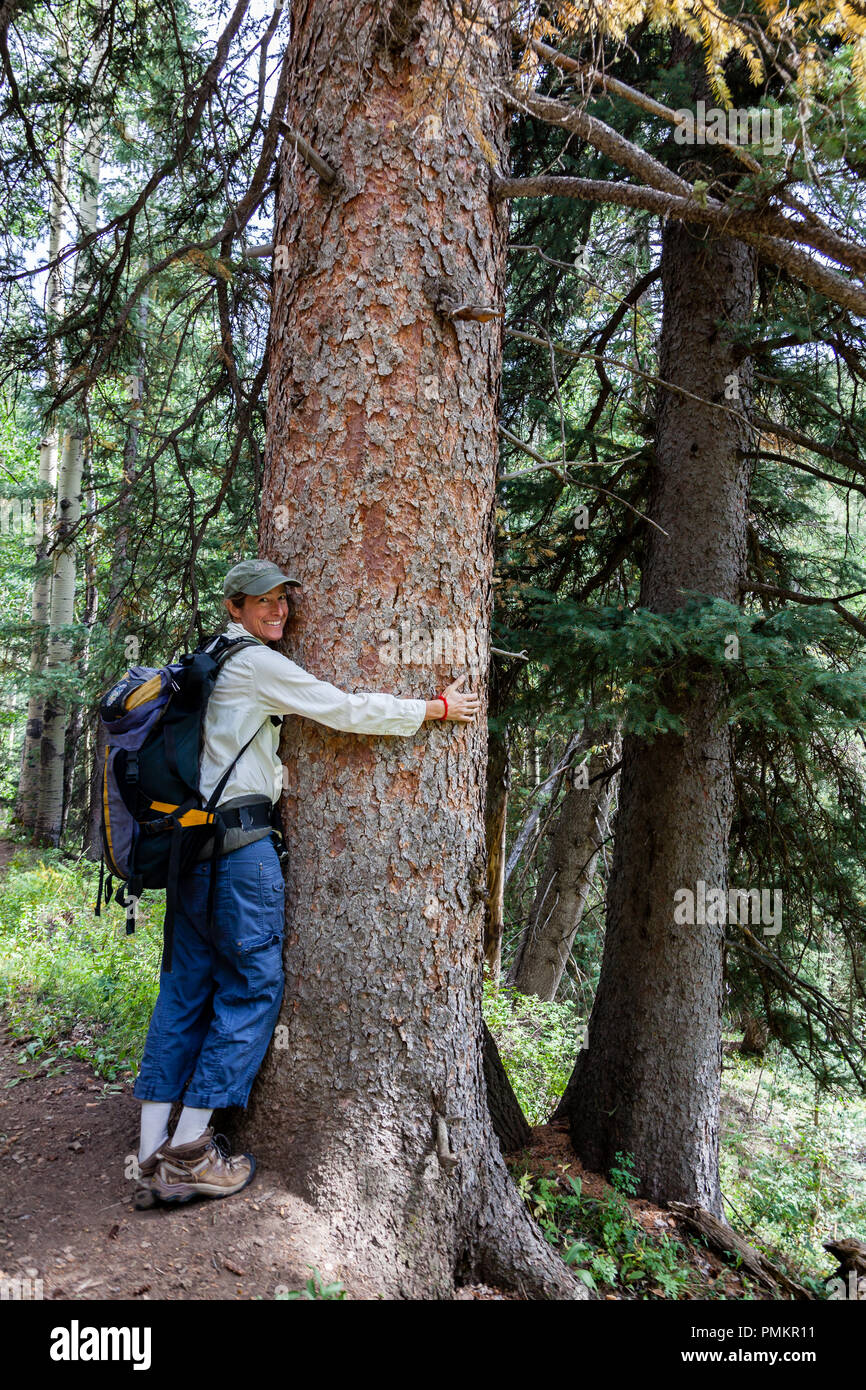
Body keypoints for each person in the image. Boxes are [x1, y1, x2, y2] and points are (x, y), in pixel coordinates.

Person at [132, 558, 480, 1207]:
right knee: (251, 988)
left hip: (190, 851)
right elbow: (339, 707)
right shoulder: (256, 665)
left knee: (183, 993)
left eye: (283, 601)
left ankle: (151, 1154)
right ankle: (187, 1155)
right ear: (234, 606)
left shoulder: (204, 661)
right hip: (240, 854)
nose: (278, 612)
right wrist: (431, 707)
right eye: (262, 601)